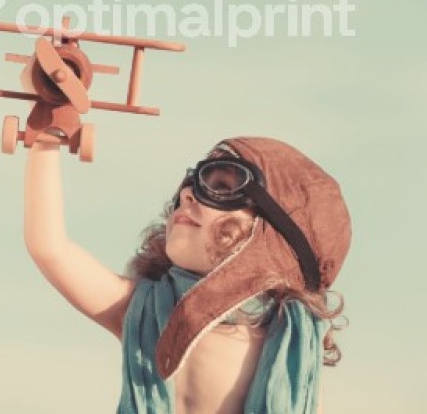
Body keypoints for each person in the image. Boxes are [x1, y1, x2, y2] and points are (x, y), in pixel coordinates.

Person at [24, 135, 351, 414]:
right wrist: (46, 137)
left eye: (221, 186)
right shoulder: (144, 310)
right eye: (187, 186)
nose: (186, 195)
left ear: (276, 234)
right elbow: (50, 248)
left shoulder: (293, 344)